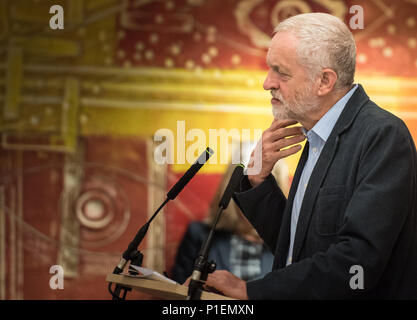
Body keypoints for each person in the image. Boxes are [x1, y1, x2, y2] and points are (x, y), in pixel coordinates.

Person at [202, 13, 417, 299]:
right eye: (269, 70)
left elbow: (358, 262)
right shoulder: (314, 135)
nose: (267, 83)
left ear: (324, 81)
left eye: (281, 72)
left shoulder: (383, 136)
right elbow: (297, 248)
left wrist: (252, 290)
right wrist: (257, 180)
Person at [171, 161, 289, 284]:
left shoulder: (287, 245)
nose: (254, 198)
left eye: (262, 189)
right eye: (247, 186)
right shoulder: (199, 235)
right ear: (230, 189)